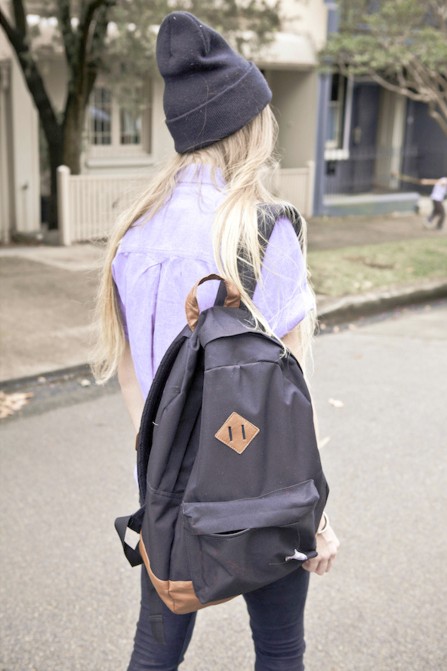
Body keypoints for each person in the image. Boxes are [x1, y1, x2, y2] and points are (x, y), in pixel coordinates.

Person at [93, 11, 339, 671]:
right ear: (247, 125)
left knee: (154, 651)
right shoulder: (263, 231)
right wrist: (317, 517)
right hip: (264, 491)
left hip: (168, 493)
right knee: (280, 651)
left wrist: (163, 475)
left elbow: (131, 379)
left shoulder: (132, 233)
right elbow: (291, 397)